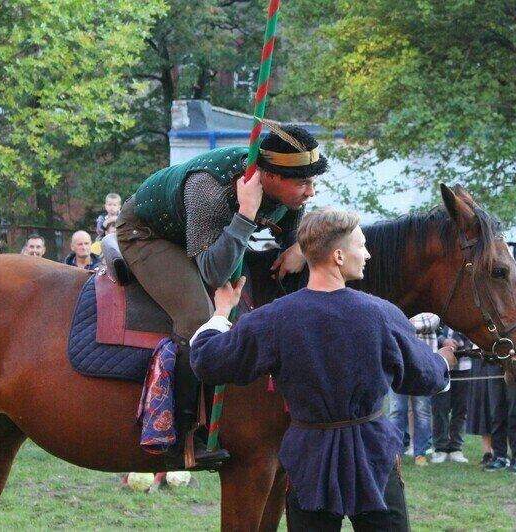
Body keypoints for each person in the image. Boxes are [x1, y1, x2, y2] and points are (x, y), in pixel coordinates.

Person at [189, 207, 453, 531]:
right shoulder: (382, 315)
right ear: (339, 256)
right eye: (362, 245)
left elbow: (206, 360)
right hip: (371, 456)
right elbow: (427, 378)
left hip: (308, 456)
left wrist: (221, 313)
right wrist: (444, 359)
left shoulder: (273, 318)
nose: (368, 254)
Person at [114, 124, 326, 467]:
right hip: (149, 233)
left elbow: (290, 241)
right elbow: (214, 272)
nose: (310, 193)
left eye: (313, 182)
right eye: (303, 183)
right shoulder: (210, 190)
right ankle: (180, 431)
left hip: (202, 234)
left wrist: (301, 245)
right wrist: (244, 215)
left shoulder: (290, 196)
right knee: (198, 316)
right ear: (269, 177)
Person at [389, 313, 438, 466]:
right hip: (397, 366)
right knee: (396, 412)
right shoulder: (395, 305)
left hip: (423, 367)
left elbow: (433, 322)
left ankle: (420, 453)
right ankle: (394, 455)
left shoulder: (431, 308)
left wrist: (402, 323)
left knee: (422, 412)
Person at [431, 326, 474, 465]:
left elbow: (471, 330)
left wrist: (455, 341)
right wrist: (443, 340)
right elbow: (432, 328)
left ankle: (456, 448)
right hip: (441, 365)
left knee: (461, 409)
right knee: (440, 408)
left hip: (463, 366)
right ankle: (440, 448)